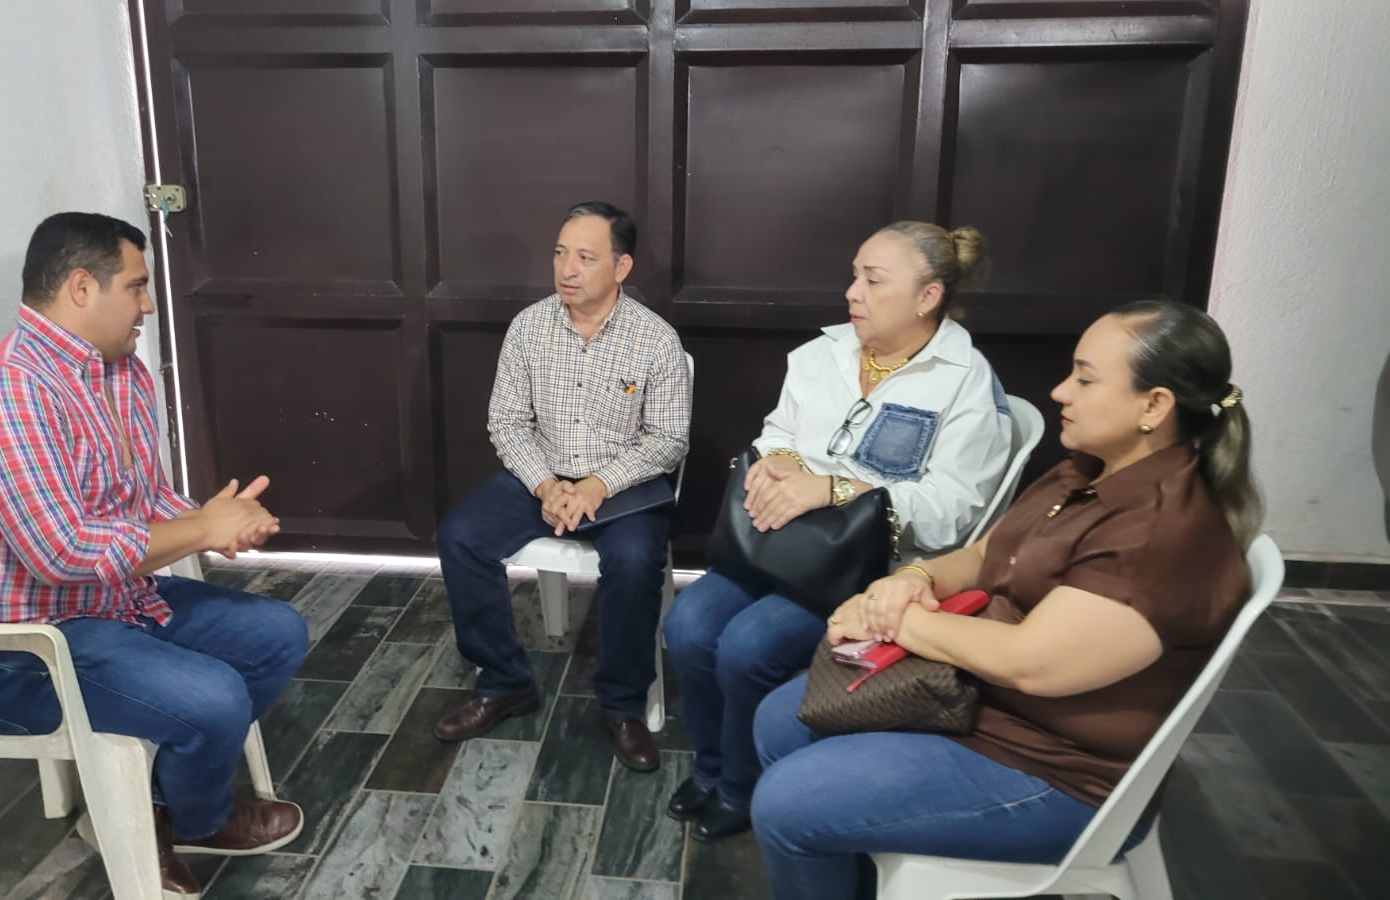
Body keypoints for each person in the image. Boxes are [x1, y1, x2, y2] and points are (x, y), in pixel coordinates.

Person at [749, 300, 1259, 899]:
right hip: (982, 702)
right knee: (780, 720)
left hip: (1054, 771)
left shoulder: (1160, 533)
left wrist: (895, 621)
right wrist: (913, 579)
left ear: (1154, 406)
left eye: (1086, 379)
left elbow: (1030, 662)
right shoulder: (1088, 471)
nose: (1060, 390)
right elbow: (985, 553)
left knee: (786, 803)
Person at [0, 213, 311, 900]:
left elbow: (143, 498)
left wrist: (214, 522)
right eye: (137, 286)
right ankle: (197, 816)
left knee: (278, 634)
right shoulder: (1, 392)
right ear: (80, 288)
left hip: (107, 601)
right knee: (213, 698)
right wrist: (200, 530)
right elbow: (60, 553)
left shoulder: (118, 373)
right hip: (9, 649)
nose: (148, 305)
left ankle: (161, 810)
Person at [661, 221, 1012, 840]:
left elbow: (953, 510)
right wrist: (779, 465)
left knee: (746, 647)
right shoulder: (821, 354)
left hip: (872, 567)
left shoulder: (964, 381)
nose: (852, 292)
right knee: (687, 626)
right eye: (854, 276)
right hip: (783, 542)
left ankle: (742, 786)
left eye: (873, 281)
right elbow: (778, 432)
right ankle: (711, 766)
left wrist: (836, 489)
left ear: (927, 296)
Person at [433, 201, 692, 772]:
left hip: (623, 484)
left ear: (621, 267)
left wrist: (600, 483)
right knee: (460, 536)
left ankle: (623, 705)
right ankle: (504, 682)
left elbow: (669, 439)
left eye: (585, 257)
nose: (567, 269)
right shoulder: (529, 327)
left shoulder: (655, 340)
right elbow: (507, 422)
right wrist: (545, 485)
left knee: (634, 561)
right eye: (560, 253)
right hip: (542, 476)